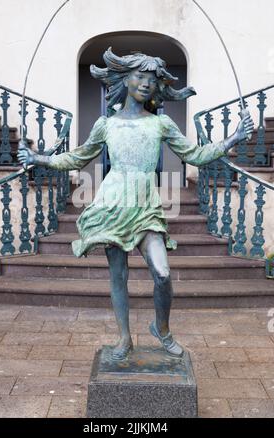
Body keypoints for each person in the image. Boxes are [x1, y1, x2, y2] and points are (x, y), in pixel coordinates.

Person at [18, 47, 254, 361]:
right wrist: (38, 158)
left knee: (163, 273)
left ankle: (162, 329)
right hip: (113, 204)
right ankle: (124, 339)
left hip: (146, 207)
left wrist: (233, 139)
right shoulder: (106, 124)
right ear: (125, 78)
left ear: (157, 87)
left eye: (151, 79)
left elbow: (195, 155)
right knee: (118, 275)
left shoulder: (161, 124)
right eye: (139, 76)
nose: (145, 83)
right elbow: (77, 157)